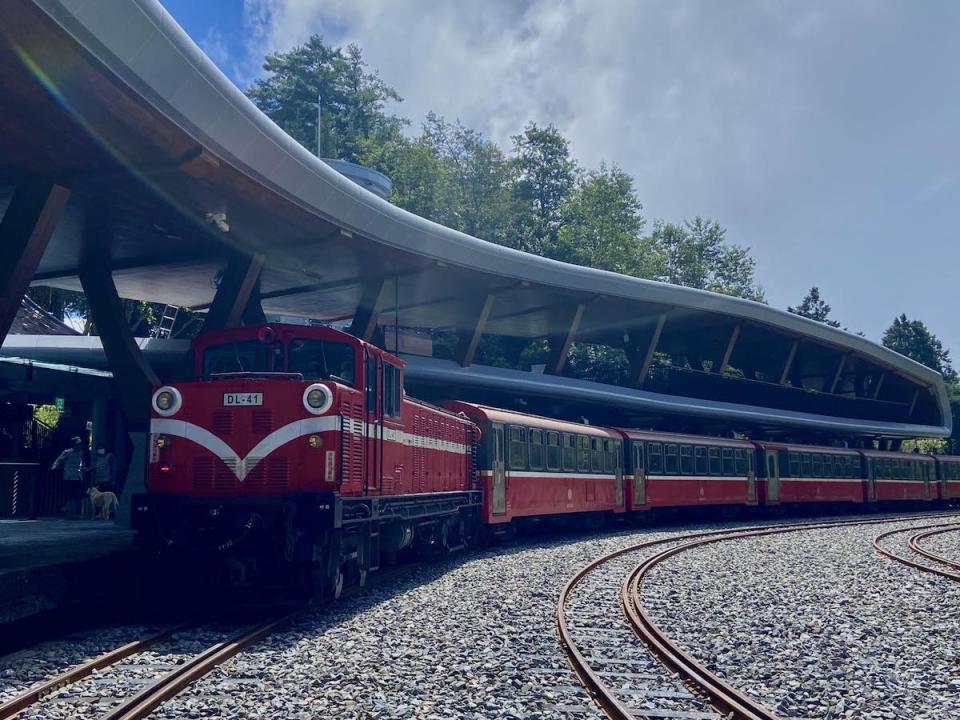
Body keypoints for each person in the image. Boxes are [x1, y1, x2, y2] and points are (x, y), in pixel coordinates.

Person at [51, 437, 85, 516]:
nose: (79, 446)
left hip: (78, 476)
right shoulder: (67, 452)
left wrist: (84, 467)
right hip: (69, 477)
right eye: (78, 444)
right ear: (73, 445)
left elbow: (81, 462)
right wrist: (54, 467)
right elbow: (59, 460)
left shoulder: (80, 452)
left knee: (78, 494)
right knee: (70, 494)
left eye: (80, 444)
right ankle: (68, 512)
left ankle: (73, 512)